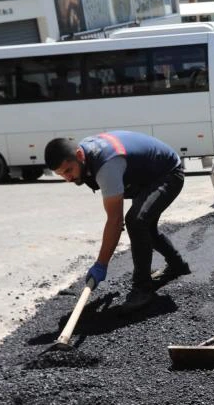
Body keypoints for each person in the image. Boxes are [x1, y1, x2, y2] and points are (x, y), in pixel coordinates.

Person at [44, 131, 190, 310]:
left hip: (168, 173)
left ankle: (142, 288)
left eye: (69, 170)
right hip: (147, 175)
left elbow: (114, 221)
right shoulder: (85, 153)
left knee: (137, 221)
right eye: (61, 175)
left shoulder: (107, 165)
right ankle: (177, 265)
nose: (68, 178)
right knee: (145, 226)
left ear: (79, 155)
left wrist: (101, 264)